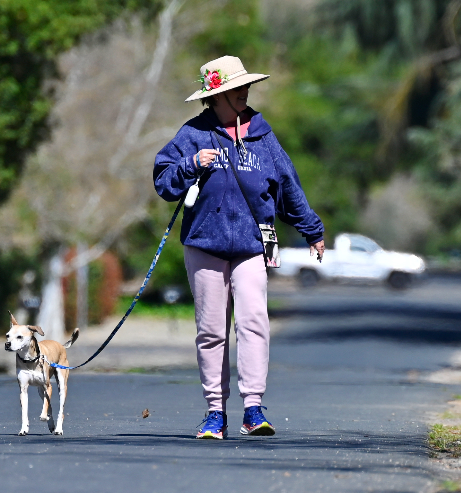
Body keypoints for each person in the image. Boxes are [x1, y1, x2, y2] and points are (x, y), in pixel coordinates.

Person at [154, 56, 325, 439]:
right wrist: (191, 164)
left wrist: (312, 230)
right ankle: (215, 412)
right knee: (211, 331)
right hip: (204, 244)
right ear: (216, 95)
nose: (244, 92)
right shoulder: (193, 134)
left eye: (246, 86)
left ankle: (253, 408)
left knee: (253, 322)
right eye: (236, 88)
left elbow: (289, 186)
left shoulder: (263, 135)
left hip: (251, 244)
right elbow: (164, 183)